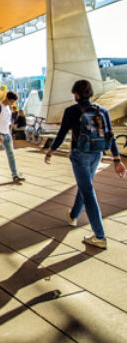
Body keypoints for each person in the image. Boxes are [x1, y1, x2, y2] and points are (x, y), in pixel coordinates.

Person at [45, 79, 127, 249]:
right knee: (85, 186)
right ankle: (73, 215)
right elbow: (110, 136)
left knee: (88, 192)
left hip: (80, 155)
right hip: (97, 153)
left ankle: (99, 236)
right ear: (90, 93)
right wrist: (117, 160)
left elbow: (61, 134)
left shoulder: (71, 111)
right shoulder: (102, 111)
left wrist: (51, 151)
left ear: (75, 94)